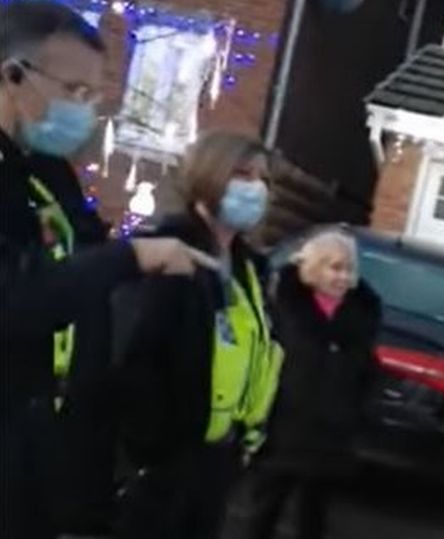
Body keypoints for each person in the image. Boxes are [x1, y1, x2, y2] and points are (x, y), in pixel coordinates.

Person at [0, 3, 215, 537]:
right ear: (12, 75)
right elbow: (15, 299)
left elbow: (90, 263)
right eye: (75, 91)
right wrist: (131, 258)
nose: (88, 109)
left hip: (44, 450)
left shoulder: (47, 173)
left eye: (94, 94)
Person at [113, 131, 284, 539]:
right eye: (243, 174)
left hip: (216, 461)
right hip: (162, 466)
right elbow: (134, 355)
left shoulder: (250, 269)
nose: (256, 188)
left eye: (264, 179)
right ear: (210, 177)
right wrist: (152, 450)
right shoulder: (166, 251)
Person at [247, 230, 381, 539]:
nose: (343, 276)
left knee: (314, 517)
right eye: (335, 267)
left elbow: (367, 372)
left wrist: (358, 415)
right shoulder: (285, 306)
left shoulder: (360, 315)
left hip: (331, 435)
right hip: (283, 428)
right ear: (314, 267)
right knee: (264, 510)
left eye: (349, 269)